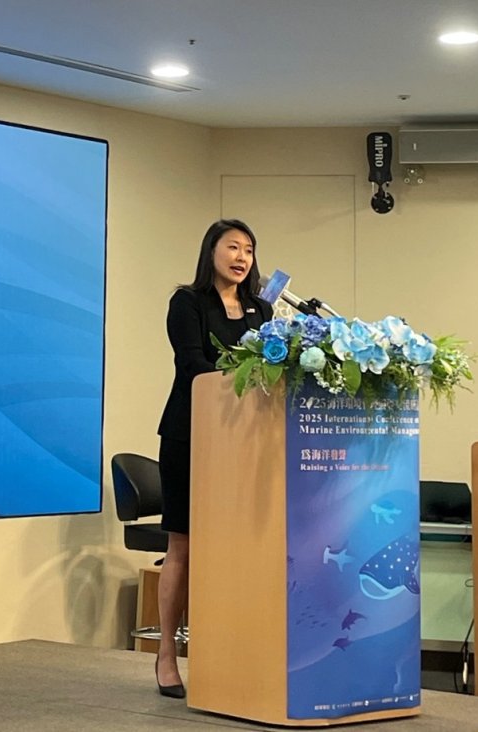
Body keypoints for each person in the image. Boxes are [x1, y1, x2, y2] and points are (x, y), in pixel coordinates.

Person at [154, 219, 272, 698]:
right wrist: (245, 381)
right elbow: (193, 365)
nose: (241, 257)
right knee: (182, 545)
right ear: (212, 252)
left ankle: (230, 655)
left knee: (240, 546)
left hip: (246, 442)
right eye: (233, 247)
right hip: (191, 435)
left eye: (249, 249)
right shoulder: (187, 302)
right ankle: (166, 653)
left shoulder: (262, 310)